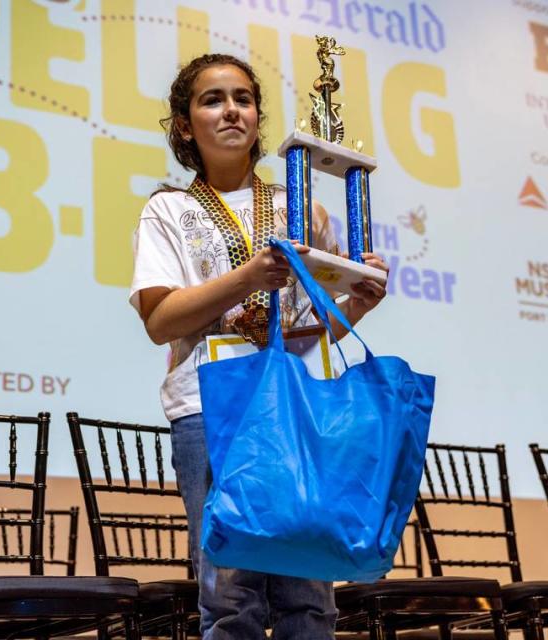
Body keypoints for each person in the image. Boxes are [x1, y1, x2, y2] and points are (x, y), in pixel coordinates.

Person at [129, 53, 389, 639]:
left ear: (258, 116)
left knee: (309, 593)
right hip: (209, 405)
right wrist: (248, 276)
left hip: (297, 407)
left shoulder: (305, 211)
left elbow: (309, 333)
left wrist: (355, 305)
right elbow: (160, 320)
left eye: (243, 98)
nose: (230, 111)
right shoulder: (167, 210)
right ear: (183, 123)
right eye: (212, 99)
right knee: (231, 596)